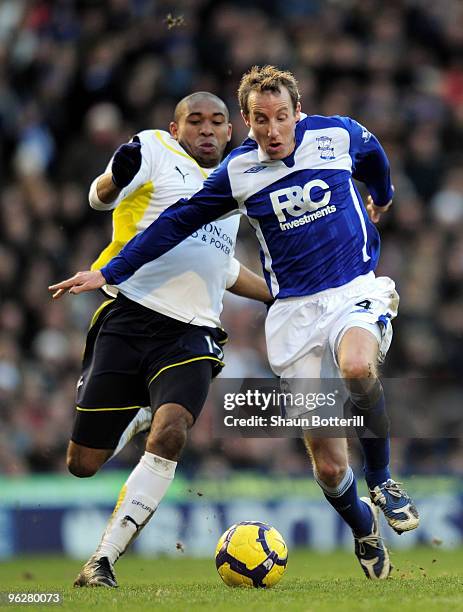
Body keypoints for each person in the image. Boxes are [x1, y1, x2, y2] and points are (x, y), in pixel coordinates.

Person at [50, 66, 420, 580]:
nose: (273, 130)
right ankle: (364, 529)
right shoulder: (236, 173)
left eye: (282, 117)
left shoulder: (337, 133)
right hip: (293, 314)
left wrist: (382, 196)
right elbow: (175, 224)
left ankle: (383, 479)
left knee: (357, 367)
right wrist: (108, 271)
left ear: (298, 112)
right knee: (332, 466)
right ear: (246, 121)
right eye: (261, 119)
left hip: (353, 291)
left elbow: (374, 156)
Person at [50, 91, 272, 588]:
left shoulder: (231, 183)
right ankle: (137, 412)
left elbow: (221, 264)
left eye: (217, 122)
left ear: (230, 131)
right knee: (82, 464)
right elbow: (99, 195)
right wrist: (115, 177)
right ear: (176, 129)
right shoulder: (152, 148)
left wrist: (275, 296)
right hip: (127, 316)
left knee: (173, 430)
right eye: (195, 121)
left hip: (192, 333)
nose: (207, 130)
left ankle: (102, 560)